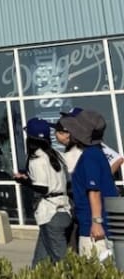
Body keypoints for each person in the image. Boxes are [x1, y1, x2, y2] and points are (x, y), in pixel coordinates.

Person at [58, 110, 118, 260]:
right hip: (101, 224)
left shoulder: (90, 156)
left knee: (94, 268)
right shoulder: (97, 152)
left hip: (93, 229)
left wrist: (96, 222)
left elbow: (94, 191)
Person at [14, 118, 71, 266]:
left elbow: (43, 188)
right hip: (63, 209)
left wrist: (23, 181)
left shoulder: (36, 159)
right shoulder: (57, 155)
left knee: (61, 260)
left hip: (50, 213)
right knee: (40, 261)